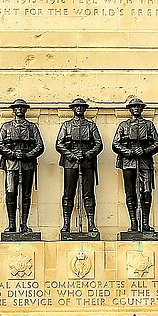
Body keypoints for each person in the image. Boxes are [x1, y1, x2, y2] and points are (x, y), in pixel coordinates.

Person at [112, 97, 158, 234]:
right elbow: (116, 143)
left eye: (139, 107)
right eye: (134, 106)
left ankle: (145, 223)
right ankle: (134, 223)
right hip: (128, 162)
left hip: (144, 161)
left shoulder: (148, 125)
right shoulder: (123, 125)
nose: (136, 109)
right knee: (130, 193)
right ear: (130, 109)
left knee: (146, 192)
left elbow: (157, 143)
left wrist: (145, 150)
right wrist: (128, 151)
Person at [55, 97, 103, 236]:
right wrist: (71, 154)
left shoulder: (91, 125)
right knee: (68, 194)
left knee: (88, 194)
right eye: (77, 106)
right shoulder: (66, 125)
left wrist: (87, 154)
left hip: (87, 162)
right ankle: (66, 225)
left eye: (82, 107)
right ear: (73, 109)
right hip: (70, 162)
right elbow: (59, 143)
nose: (79, 109)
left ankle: (91, 224)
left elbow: (98, 144)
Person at [0, 99, 44, 234]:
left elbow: (40, 146)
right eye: (17, 108)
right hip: (11, 164)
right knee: (11, 193)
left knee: (26, 195)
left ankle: (23, 224)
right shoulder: (6, 127)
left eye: (22, 108)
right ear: (13, 110)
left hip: (27, 164)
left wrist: (28, 155)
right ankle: (11, 224)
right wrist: (12, 154)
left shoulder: (32, 127)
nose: (20, 110)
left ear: (25, 110)